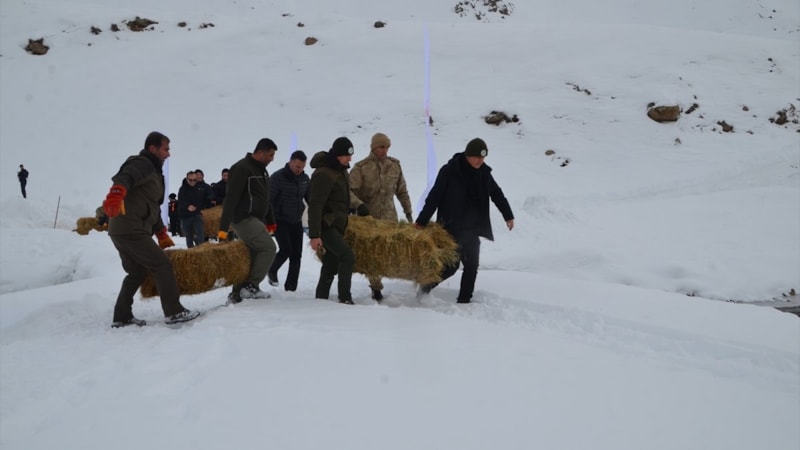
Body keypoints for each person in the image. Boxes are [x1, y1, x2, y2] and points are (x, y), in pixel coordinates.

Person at [102, 131, 200, 327]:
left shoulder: (155, 172)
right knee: (161, 264)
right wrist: (115, 195)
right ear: (153, 149)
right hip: (130, 228)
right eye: (166, 149)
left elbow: (151, 206)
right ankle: (174, 312)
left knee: (137, 272)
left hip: (123, 228)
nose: (168, 154)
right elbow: (125, 177)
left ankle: (122, 315)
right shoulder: (142, 163)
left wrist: (161, 232)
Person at [414, 138, 515, 304]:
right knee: (450, 268)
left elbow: (497, 194)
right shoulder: (449, 171)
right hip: (450, 229)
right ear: (468, 155)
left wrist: (508, 215)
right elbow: (434, 198)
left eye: (482, 158)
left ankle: (464, 300)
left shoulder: (484, 173)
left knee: (471, 266)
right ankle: (424, 289)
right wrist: (421, 221)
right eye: (476, 157)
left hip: (473, 229)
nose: (480, 161)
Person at [349, 132, 414, 301]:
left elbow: (402, 191)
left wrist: (408, 213)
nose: (384, 150)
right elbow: (348, 192)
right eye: (381, 147)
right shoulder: (361, 168)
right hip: (369, 219)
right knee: (373, 254)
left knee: (390, 251)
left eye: (387, 147)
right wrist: (359, 206)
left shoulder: (394, 166)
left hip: (389, 218)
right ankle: (376, 288)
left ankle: (388, 279)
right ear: (374, 148)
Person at [217, 138, 279, 303]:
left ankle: (237, 292)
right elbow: (231, 199)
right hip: (243, 218)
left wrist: (271, 220)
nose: (272, 159)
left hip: (256, 218)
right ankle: (250, 286)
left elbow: (265, 199)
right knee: (268, 248)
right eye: (270, 155)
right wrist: (223, 229)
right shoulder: (242, 168)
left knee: (251, 254)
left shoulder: (262, 171)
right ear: (260, 152)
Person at [308, 136, 363, 305]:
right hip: (326, 225)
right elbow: (315, 205)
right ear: (338, 154)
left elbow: (341, 197)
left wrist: (355, 207)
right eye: (347, 155)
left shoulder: (340, 170)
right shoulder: (324, 174)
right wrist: (315, 235)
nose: (350, 159)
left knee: (331, 263)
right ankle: (345, 298)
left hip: (338, 224)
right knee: (347, 256)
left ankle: (321, 298)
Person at [267, 150, 310, 292]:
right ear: (291, 162)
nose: (300, 170)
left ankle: (291, 288)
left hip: (296, 220)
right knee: (286, 250)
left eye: (302, 167)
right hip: (280, 219)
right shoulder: (277, 177)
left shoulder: (304, 179)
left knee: (296, 255)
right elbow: (269, 201)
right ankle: (272, 269)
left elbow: (310, 198)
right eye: (297, 166)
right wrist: (270, 221)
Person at [177, 171, 206, 248]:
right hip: (185, 215)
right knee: (189, 235)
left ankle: (201, 250)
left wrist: (200, 208)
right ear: (187, 179)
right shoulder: (182, 189)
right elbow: (181, 200)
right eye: (190, 180)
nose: (193, 182)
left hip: (196, 214)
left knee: (200, 233)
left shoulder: (199, 188)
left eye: (194, 180)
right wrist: (187, 207)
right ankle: (191, 251)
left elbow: (202, 200)